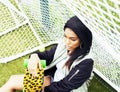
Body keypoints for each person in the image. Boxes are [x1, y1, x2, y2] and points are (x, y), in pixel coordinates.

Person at [0, 15, 94, 92]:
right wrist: (34, 56)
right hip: (52, 81)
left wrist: (42, 89)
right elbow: (47, 56)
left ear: (83, 39)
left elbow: (66, 86)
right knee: (13, 80)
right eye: (65, 36)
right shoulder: (63, 45)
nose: (67, 42)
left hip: (64, 90)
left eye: (72, 39)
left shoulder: (87, 62)